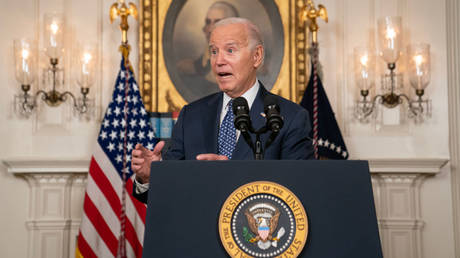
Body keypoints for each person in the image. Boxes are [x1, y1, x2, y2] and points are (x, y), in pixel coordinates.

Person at [132, 17, 314, 203]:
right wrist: (150, 177)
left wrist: (234, 177)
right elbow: (169, 194)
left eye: (230, 50)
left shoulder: (290, 118)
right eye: (213, 51)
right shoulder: (190, 116)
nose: (219, 61)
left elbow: (301, 191)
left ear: (256, 56)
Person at [176, 1, 240, 93]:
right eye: (208, 22)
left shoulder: (250, 71)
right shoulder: (190, 71)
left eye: (218, 23)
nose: (210, 29)